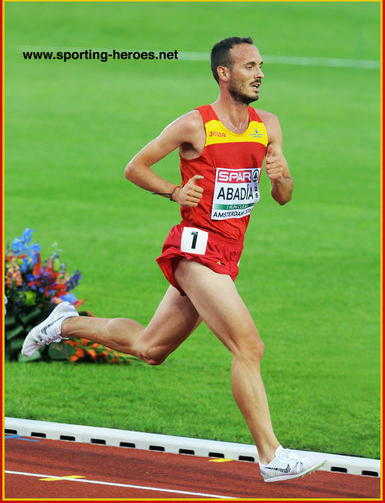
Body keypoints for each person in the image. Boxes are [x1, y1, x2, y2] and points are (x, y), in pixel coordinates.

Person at [22, 36, 326, 482]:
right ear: (224, 74)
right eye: (248, 67)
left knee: (150, 348)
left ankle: (63, 323)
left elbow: (282, 196)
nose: (259, 73)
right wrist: (173, 191)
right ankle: (272, 456)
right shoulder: (194, 125)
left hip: (227, 253)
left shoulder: (269, 126)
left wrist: (283, 179)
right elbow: (135, 167)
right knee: (248, 347)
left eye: (261, 66)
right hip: (194, 249)